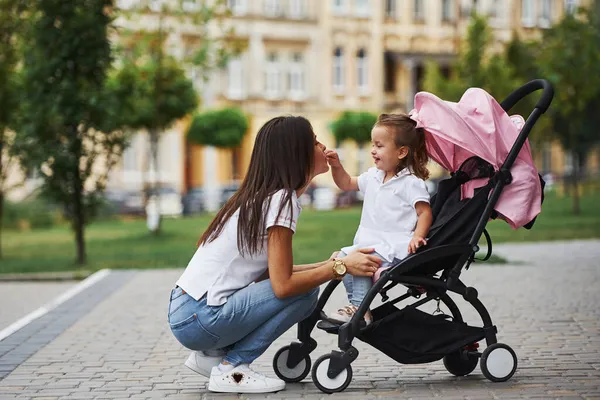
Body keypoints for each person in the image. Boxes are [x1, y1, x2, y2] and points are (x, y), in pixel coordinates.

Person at [167, 116, 382, 394]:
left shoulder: (261, 197)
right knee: (304, 294)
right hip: (199, 317)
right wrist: (340, 267)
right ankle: (231, 368)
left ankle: (213, 357)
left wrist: (330, 264)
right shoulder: (281, 201)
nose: (323, 146)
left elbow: (274, 272)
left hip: (187, 312)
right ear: (297, 152)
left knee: (304, 287)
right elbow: (284, 286)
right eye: (315, 141)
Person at [325, 113, 433, 325]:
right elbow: (346, 183)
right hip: (370, 242)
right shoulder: (373, 176)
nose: (373, 150)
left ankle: (360, 308)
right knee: (342, 257)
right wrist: (336, 166)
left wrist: (417, 237)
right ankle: (359, 306)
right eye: (372, 144)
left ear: (401, 152)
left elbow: (424, 212)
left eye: (379, 145)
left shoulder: (410, 183)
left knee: (351, 259)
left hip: (392, 245)